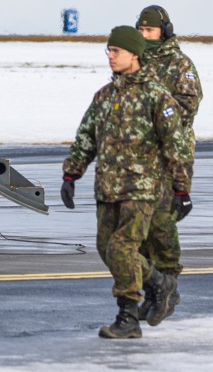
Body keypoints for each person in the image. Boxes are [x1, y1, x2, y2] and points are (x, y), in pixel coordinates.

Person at [60, 25, 191, 341]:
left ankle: (128, 317)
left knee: (122, 247)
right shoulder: (104, 97)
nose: (110, 56)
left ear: (134, 54)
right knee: (107, 249)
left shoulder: (157, 96)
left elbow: (176, 144)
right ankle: (159, 284)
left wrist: (181, 189)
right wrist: (71, 175)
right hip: (107, 189)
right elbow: (86, 138)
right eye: (108, 50)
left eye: (116, 51)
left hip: (141, 189)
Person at [134, 4, 201, 326]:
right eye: (141, 31)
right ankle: (153, 290)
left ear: (165, 30)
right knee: (141, 227)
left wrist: (154, 119)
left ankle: (170, 286)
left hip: (171, 156)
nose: (145, 36)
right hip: (141, 157)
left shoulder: (180, 64)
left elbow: (188, 106)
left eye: (150, 30)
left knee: (162, 225)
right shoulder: (136, 62)